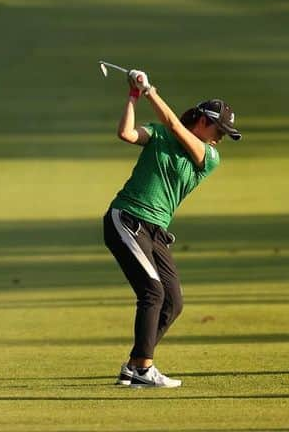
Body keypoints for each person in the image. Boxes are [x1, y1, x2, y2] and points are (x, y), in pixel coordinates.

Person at [103, 69, 241, 388]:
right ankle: (142, 369)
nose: (221, 137)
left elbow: (176, 126)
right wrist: (134, 96)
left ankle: (136, 365)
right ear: (204, 121)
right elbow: (126, 133)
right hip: (127, 219)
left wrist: (150, 90)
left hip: (156, 231)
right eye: (219, 130)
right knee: (153, 292)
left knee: (173, 301)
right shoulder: (160, 135)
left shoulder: (209, 156)